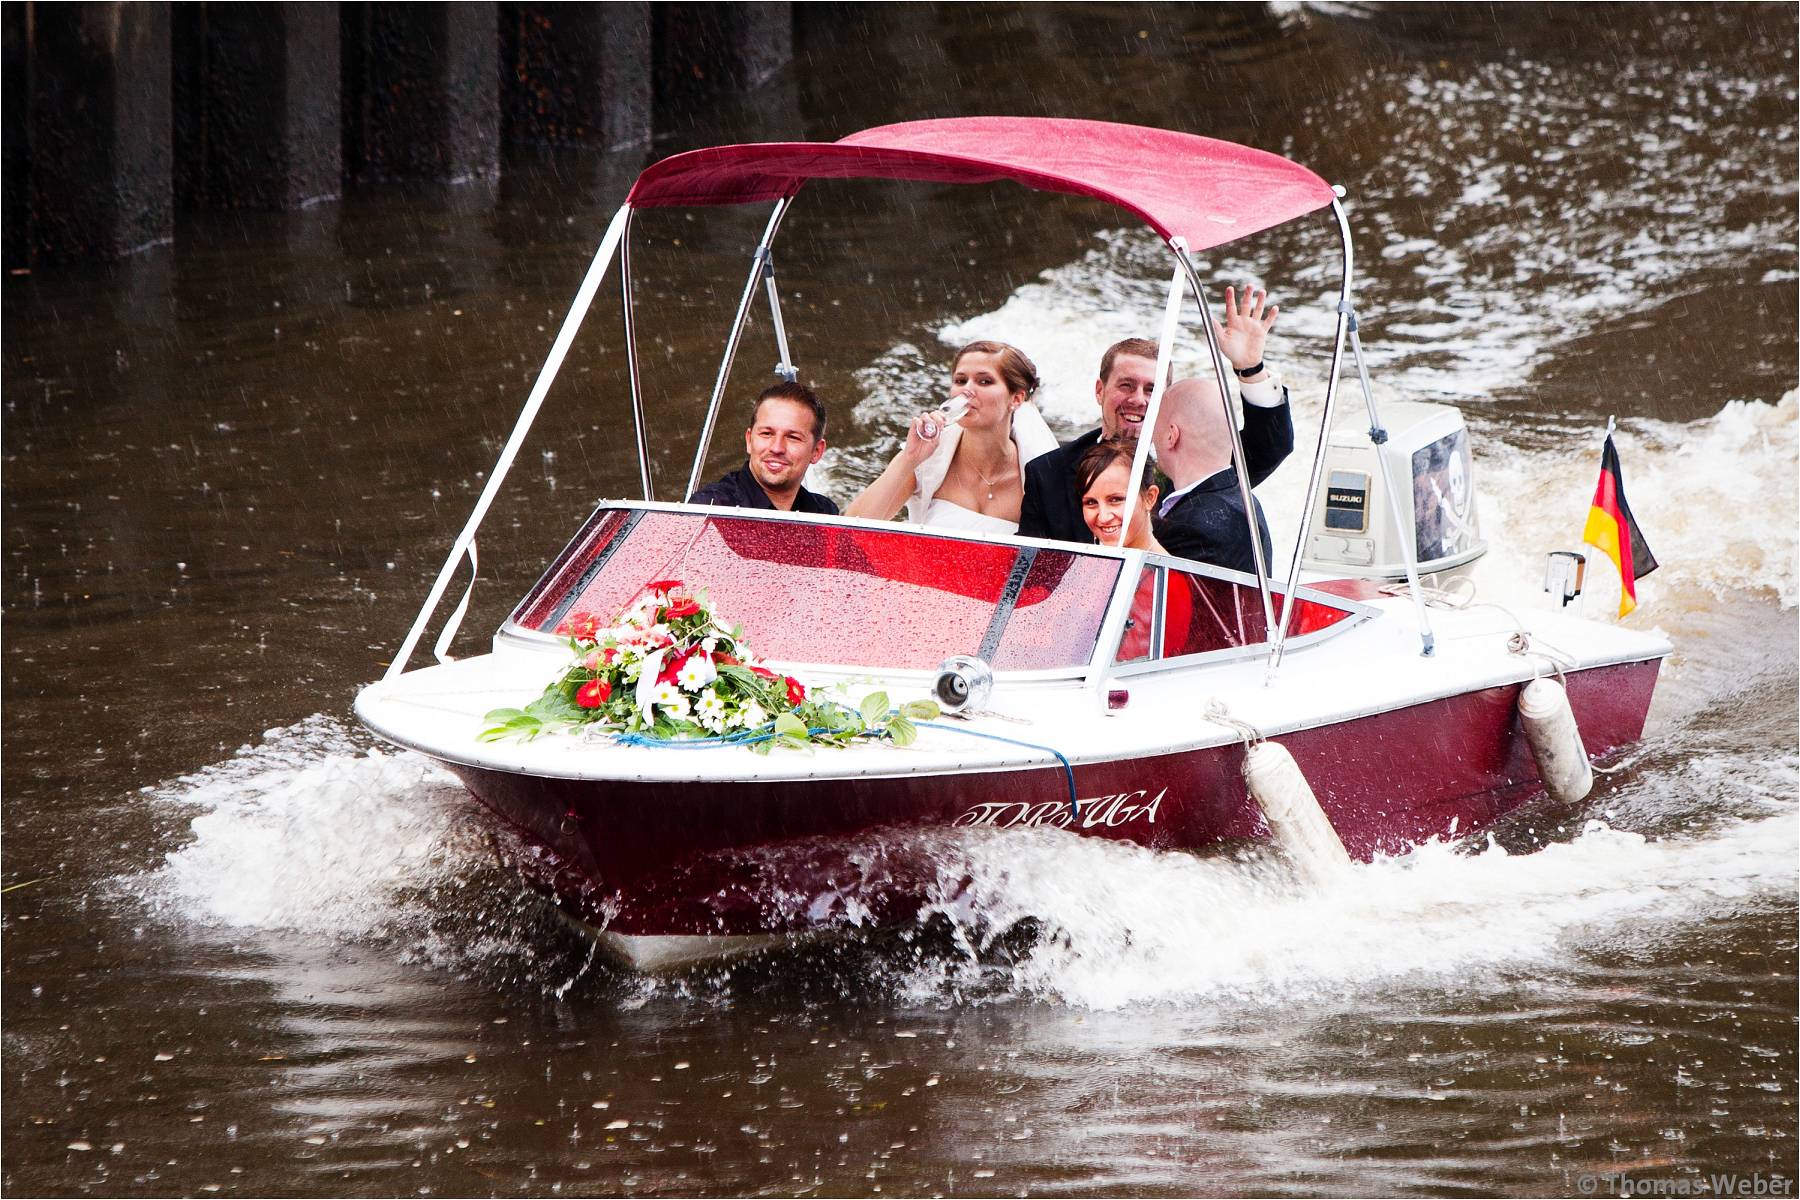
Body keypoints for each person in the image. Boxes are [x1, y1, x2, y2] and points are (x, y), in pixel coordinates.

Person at [1018, 286, 1292, 543]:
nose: (1138, 399)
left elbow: (1270, 447)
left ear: (1167, 400)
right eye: (1126, 385)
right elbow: (1030, 570)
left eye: (1152, 390)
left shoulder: (1200, 460)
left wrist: (1250, 368)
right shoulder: (1047, 474)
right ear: (1099, 390)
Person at [845, 340, 1058, 534]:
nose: (967, 391)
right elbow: (849, 530)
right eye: (960, 380)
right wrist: (908, 458)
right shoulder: (928, 459)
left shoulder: (1042, 476)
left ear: (1017, 398)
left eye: (984, 382)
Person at [1149, 376, 1273, 576]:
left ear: (1172, 436)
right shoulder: (1242, 499)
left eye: (1155, 427)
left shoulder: (1191, 526)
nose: (1152, 438)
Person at [687, 381, 839, 514]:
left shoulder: (824, 514)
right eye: (767, 433)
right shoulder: (711, 508)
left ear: (817, 451)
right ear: (749, 440)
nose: (777, 448)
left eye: (793, 437)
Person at [1076, 438, 1166, 555]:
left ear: (1149, 498)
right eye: (1091, 502)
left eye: (1115, 500)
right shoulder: (1076, 566)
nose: (1103, 518)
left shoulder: (1171, 573)